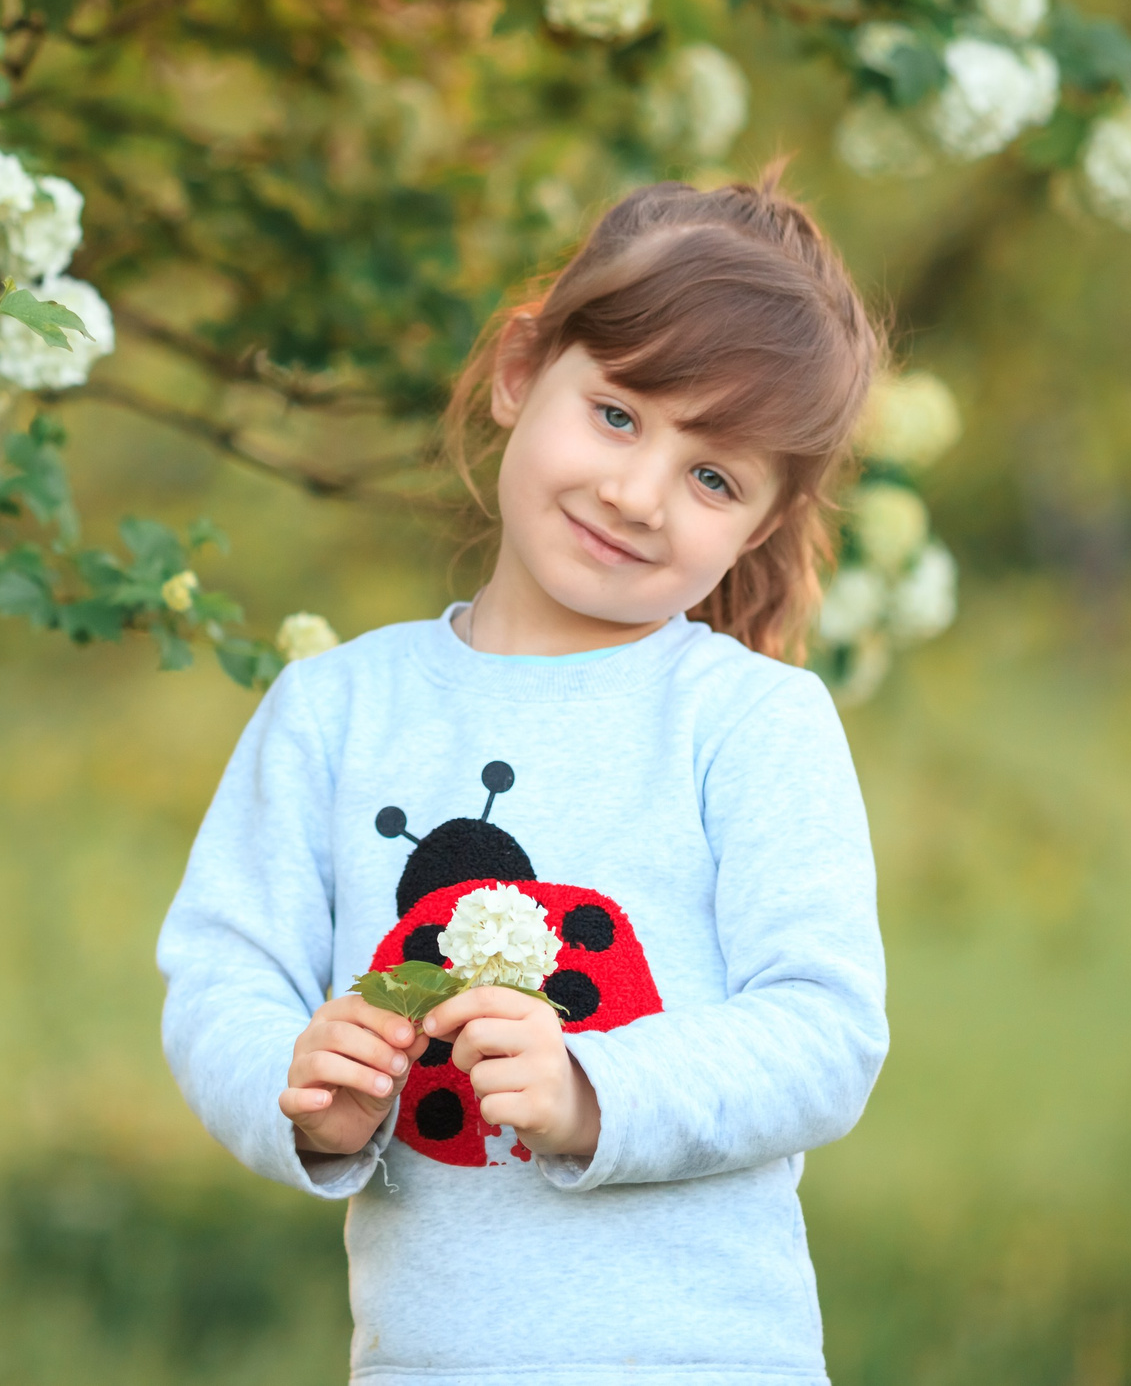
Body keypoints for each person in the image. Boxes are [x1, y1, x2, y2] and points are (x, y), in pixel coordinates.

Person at [157, 174, 891, 1385]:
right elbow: (225, 972)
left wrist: (590, 1088)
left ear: (759, 527)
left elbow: (822, 1029)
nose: (635, 493)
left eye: (713, 477)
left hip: (707, 1360)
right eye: (617, 414)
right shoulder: (337, 711)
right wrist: (298, 1087)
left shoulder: (751, 723)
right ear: (518, 372)